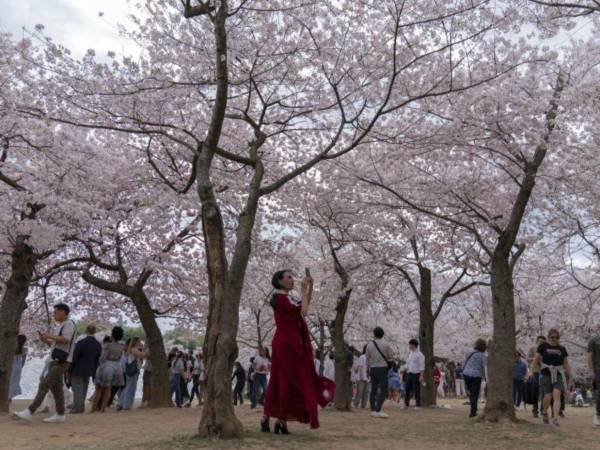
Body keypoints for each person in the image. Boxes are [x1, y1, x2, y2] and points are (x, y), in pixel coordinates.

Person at [262, 269, 334, 433]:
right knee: (290, 380)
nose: (292, 280)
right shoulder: (281, 299)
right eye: (288, 277)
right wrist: (303, 290)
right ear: (279, 281)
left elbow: (303, 306)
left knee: (278, 380)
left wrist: (309, 288)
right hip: (288, 344)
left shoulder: (285, 298)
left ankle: (269, 418)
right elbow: (303, 311)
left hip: (285, 342)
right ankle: (279, 419)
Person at [13, 303, 76, 423]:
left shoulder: (69, 324)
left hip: (62, 361)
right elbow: (56, 345)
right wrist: (46, 340)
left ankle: (30, 411)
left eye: (56, 312)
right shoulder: (61, 325)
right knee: (56, 388)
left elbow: (65, 339)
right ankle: (60, 413)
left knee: (44, 384)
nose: (54, 314)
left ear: (63, 312)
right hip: (55, 359)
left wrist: (50, 336)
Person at [533, 328, 573, 426]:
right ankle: (545, 412)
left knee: (557, 395)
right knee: (548, 396)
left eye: (557, 337)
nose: (554, 339)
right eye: (552, 337)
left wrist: (570, 376)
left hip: (558, 373)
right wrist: (531, 371)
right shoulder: (543, 346)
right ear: (548, 337)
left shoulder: (562, 349)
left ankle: (555, 418)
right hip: (546, 373)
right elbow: (536, 359)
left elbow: (566, 364)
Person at [90, 327, 125, 413]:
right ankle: (103, 408)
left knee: (98, 388)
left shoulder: (107, 345)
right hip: (116, 366)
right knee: (108, 388)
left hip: (106, 366)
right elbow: (120, 358)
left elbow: (103, 358)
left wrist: (99, 365)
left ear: (112, 335)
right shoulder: (121, 346)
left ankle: (93, 409)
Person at [69, 325, 101, 413]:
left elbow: (74, 357)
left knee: (77, 389)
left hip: (78, 369)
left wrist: (70, 369)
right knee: (84, 389)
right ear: (94, 332)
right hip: (89, 369)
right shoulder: (98, 344)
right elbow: (97, 359)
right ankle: (81, 407)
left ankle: (77, 408)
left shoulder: (81, 343)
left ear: (86, 331)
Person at [366, 327, 394, 418]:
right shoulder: (386, 344)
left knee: (373, 389)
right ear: (383, 334)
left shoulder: (369, 345)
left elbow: (367, 358)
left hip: (373, 368)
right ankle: (378, 410)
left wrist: (368, 369)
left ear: (374, 334)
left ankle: (373, 410)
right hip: (382, 368)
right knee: (383, 389)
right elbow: (390, 356)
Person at [117, 336, 147, 411]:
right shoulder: (134, 349)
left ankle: (121, 403)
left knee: (128, 386)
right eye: (139, 341)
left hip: (131, 370)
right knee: (131, 388)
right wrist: (149, 351)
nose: (140, 343)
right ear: (136, 342)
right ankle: (126, 405)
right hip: (133, 371)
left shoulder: (131, 349)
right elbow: (142, 355)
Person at [462, 338, 487, 418]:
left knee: (470, 392)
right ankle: (473, 411)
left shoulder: (469, 352)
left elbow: (464, 362)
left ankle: (473, 409)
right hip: (476, 376)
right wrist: (484, 377)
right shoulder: (483, 356)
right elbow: (484, 367)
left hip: (466, 374)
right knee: (474, 394)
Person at [527, 335, 546, 418]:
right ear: (537, 341)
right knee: (535, 391)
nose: (541, 343)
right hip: (535, 371)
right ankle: (535, 410)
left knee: (544, 392)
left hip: (544, 372)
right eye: (540, 341)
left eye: (543, 342)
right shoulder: (532, 349)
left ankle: (543, 410)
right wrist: (535, 359)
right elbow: (527, 359)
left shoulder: (546, 351)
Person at [404, 339, 425, 410]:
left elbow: (422, 366)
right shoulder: (410, 353)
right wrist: (405, 368)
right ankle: (406, 404)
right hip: (409, 373)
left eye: (410, 345)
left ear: (414, 345)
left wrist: (421, 376)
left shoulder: (420, 355)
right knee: (407, 389)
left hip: (416, 374)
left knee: (416, 389)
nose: (409, 346)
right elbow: (408, 363)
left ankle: (418, 405)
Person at [9, 334, 27, 402]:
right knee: (15, 382)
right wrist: (20, 366)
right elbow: (23, 361)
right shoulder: (25, 349)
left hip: (11, 365)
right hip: (18, 366)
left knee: (9, 381)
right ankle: (10, 397)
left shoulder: (12, 348)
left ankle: (7, 396)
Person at [588, 333, 600, 426]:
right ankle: (598, 415)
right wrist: (591, 371)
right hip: (598, 369)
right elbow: (590, 356)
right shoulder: (594, 340)